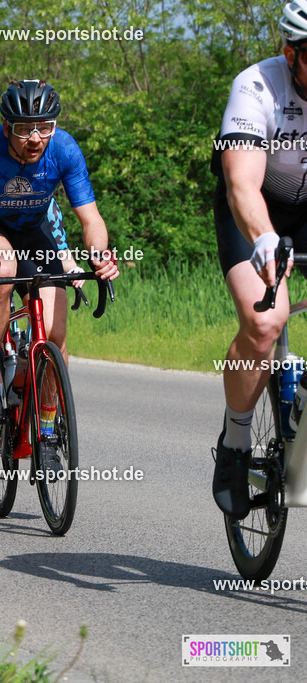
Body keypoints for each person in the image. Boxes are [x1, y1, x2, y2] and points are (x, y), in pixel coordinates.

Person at [0, 80, 118, 436]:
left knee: (55, 339)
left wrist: (99, 256)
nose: (36, 138)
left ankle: (46, 431)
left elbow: (90, 219)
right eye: (25, 129)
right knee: (3, 271)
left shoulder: (65, 149)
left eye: (45, 127)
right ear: (6, 127)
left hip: (34, 231)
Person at [209, 1, 307, 519]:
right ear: (291, 53)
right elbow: (242, 183)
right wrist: (265, 237)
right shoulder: (257, 86)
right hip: (253, 211)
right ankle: (236, 442)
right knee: (265, 321)